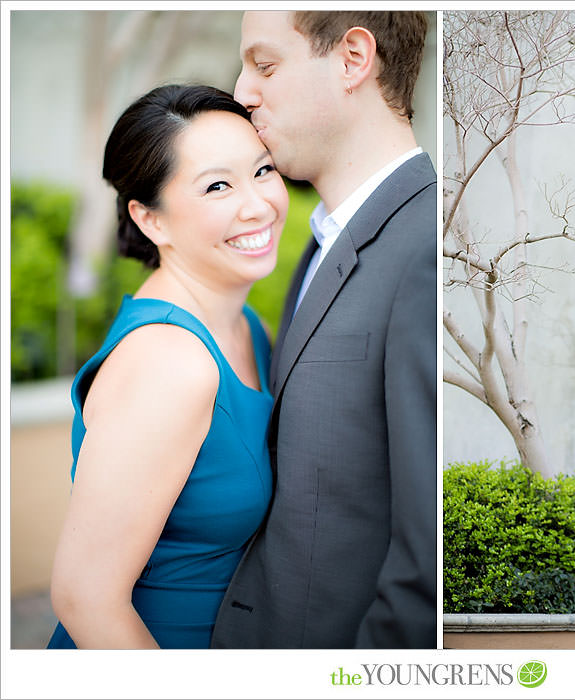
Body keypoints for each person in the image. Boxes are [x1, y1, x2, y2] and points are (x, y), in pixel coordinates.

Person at [210, 10, 436, 649]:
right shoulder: (322, 244)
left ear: (353, 59)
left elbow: (424, 561)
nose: (243, 91)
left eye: (265, 64)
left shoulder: (425, 247)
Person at [47, 84, 289, 648]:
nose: (257, 204)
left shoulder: (247, 328)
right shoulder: (169, 362)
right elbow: (86, 597)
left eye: (263, 170)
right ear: (151, 219)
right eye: (217, 186)